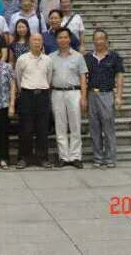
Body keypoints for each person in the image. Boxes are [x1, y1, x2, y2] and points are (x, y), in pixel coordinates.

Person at [83, 29, 125, 169]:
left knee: (108, 128)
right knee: (94, 128)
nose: (99, 41)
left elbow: (120, 77)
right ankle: (98, 158)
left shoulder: (114, 57)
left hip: (107, 94)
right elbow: (84, 77)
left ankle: (110, 158)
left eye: (102, 38)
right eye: (96, 39)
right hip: (92, 95)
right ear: (93, 41)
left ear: (106, 40)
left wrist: (118, 96)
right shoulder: (88, 57)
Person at [49, 28, 88, 169]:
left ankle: (76, 156)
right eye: (60, 37)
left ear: (70, 39)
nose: (63, 40)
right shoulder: (51, 57)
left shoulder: (78, 56)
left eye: (65, 37)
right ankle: (63, 156)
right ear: (56, 40)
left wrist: (83, 97)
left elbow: (83, 77)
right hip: (57, 93)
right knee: (60, 126)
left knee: (75, 125)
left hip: (74, 93)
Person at [15, 34, 54, 169]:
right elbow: (18, 78)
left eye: (39, 40)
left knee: (42, 128)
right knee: (26, 128)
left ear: (42, 43)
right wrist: (25, 90)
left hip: (43, 95)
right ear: (29, 43)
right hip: (27, 95)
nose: (37, 42)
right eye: (34, 40)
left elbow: (49, 78)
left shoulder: (48, 60)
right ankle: (24, 158)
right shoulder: (22, 59)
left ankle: (42, 158)